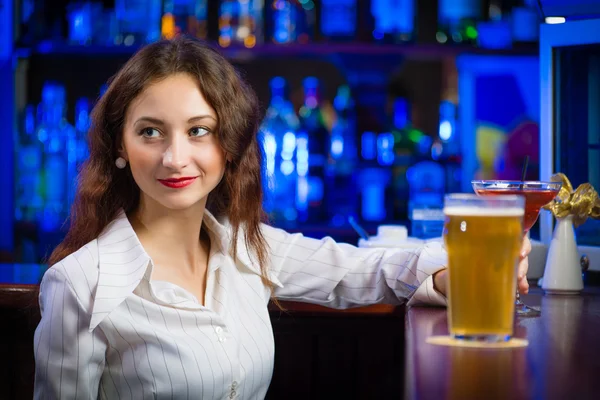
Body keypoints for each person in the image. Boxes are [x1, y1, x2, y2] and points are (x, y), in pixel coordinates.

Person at [33, 37, 531, 400]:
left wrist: (461, 269)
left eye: (199, 131)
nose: (175, 157)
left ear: (228, 146)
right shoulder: (79, 286)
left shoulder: (249, 249)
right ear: (119, 146)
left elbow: (365, 269)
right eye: (151, 132)